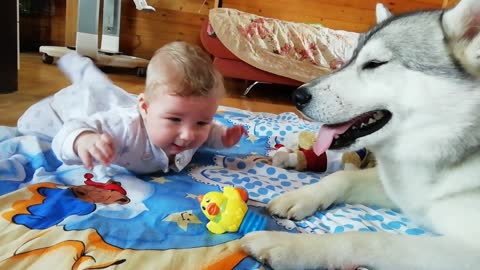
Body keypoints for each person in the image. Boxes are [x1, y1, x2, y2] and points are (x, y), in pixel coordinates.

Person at [17, 41, 246, 174]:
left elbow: (208, 134)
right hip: (83, 106)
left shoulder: (190, 125)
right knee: (87, 94)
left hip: (125, 101)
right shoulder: (121, 129)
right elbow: (72, 128)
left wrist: (222, 137)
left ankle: (84, 69)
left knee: (107, 89)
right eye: (174, 120)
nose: (188, 135)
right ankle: (77, 62)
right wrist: (83, 140)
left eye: (202, 122)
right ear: (145, 108)